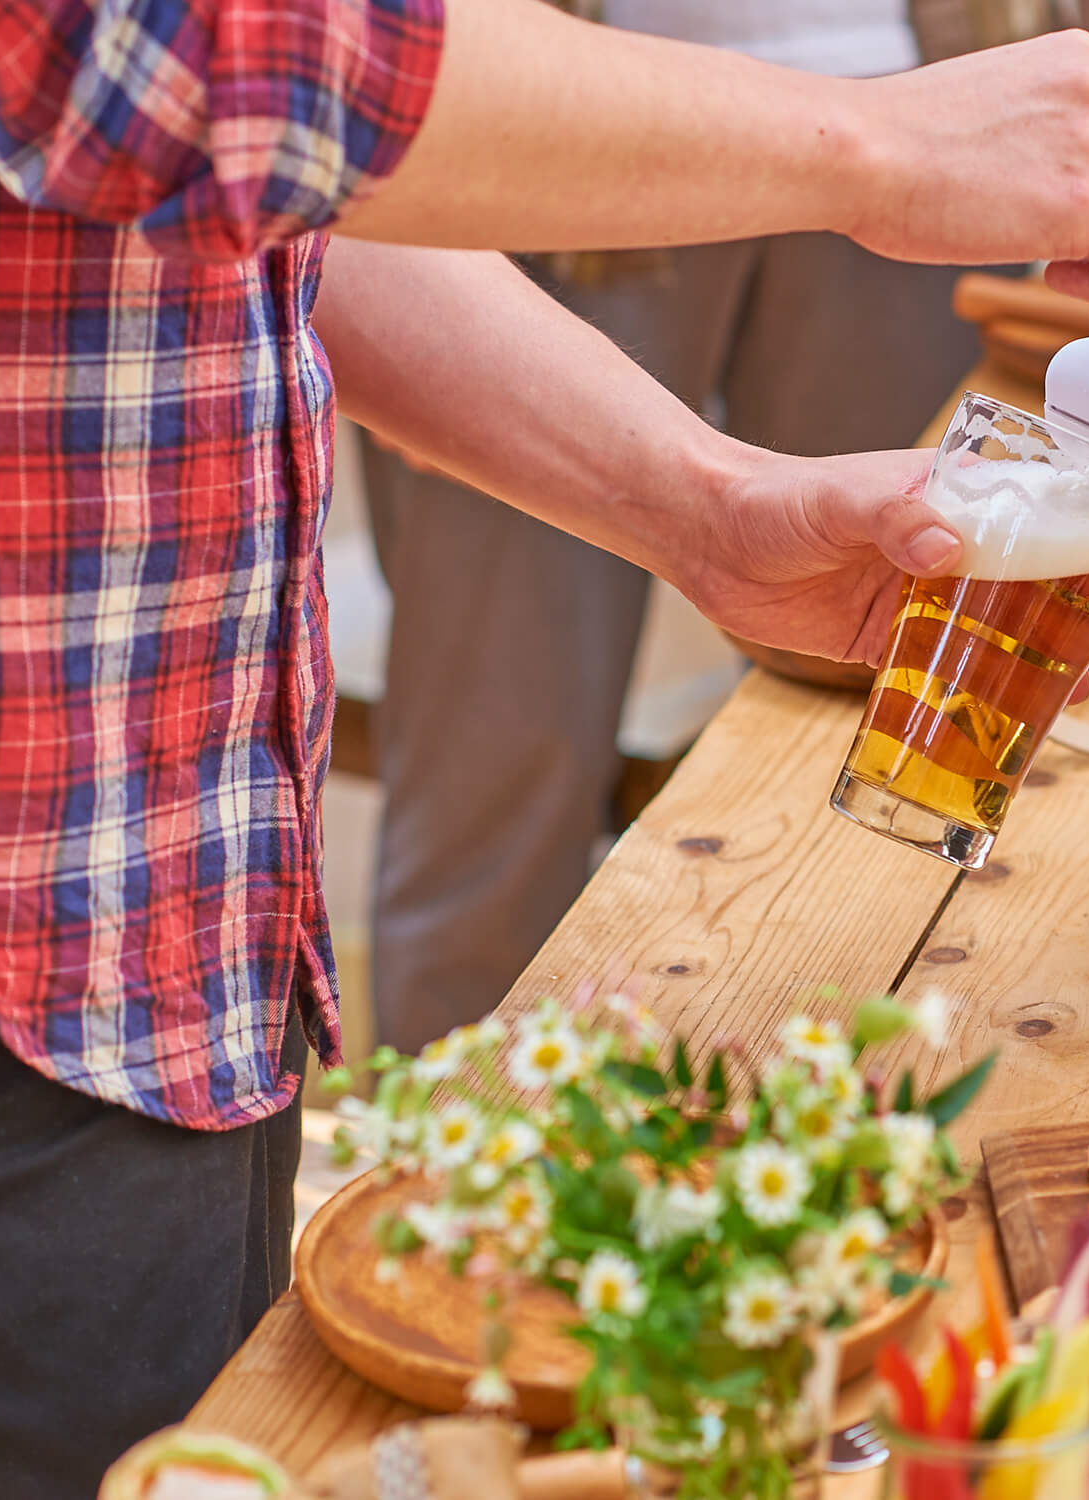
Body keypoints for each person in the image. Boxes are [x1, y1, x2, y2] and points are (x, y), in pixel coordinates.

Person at [0, 0, 1089, 1490]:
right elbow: (211, 60)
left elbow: (276, 206)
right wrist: (874, 137)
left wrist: (706, 511)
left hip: (161, 931)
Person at [361, 0, 983, 1057]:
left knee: (887, 743)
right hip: (533, 129)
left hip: (913, 81)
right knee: (499, 769)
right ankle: (442, 1143)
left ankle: (844, 1115)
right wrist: (398, 265)